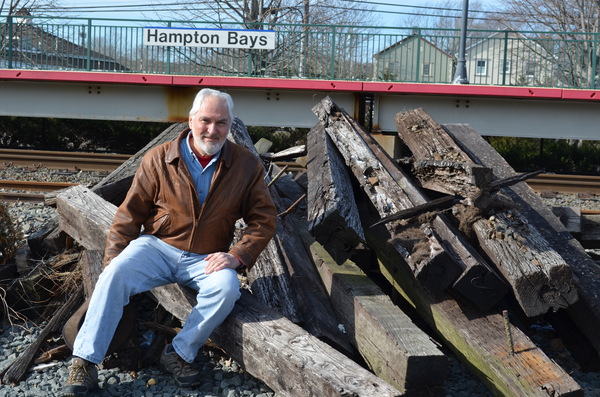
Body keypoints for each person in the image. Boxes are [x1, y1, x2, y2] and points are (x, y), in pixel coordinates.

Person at [60, 88, 278, 397]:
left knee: (228, 288)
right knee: (115, 274)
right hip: (157, 247)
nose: (212, 130)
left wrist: (237, 256)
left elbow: (264, 219)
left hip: (207, 257)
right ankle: (84, 361)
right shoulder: (160, 157)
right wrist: (113, 264)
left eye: (221, 123)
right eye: (205, 120)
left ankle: (178, 352)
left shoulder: (245, 165)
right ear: (191, 120)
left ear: (230, 126)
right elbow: (129, 215)